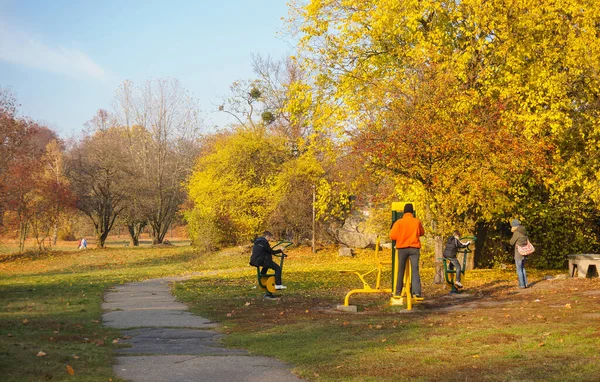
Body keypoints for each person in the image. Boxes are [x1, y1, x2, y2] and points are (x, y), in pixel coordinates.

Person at [389, 203, 425, 298]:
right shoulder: (417, 221)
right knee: (415, 270)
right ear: (412, 211)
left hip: (402, 248)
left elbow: (392, 236)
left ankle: (397, 292)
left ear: (404, 211)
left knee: (401, 270)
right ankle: (416, 292)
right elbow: (422, 232)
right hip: (414, 248)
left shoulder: (399, 222)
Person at [509, 219, 529, 288]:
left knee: (519, 269)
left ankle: (522, 285)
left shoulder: (517, 233)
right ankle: (526, 283)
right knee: (523, 268)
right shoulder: (524, 231)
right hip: (525, 251)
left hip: (518, 253)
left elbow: (511, 242)